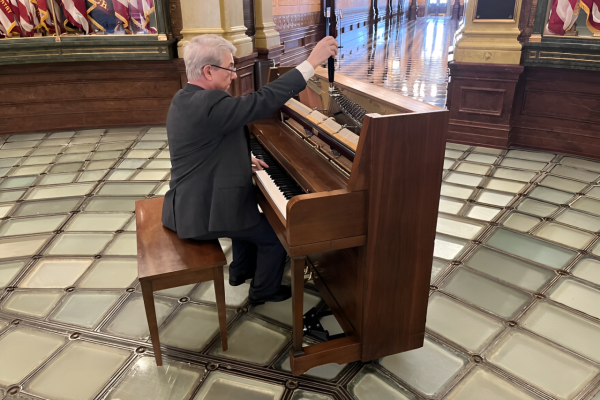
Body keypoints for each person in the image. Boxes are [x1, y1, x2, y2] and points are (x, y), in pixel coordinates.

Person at [162, 34, 338, 305]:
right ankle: (263, 291)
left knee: (247, 210)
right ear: (208, 71)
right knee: (277, 236)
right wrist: (311, 62)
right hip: (199, 214)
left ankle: (240, 272)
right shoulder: (209, 103)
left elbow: (205, 147)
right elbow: (263, 100)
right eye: (230, 67)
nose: (234, 74)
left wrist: (243, 160)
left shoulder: (184, 97)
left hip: (190, 200)